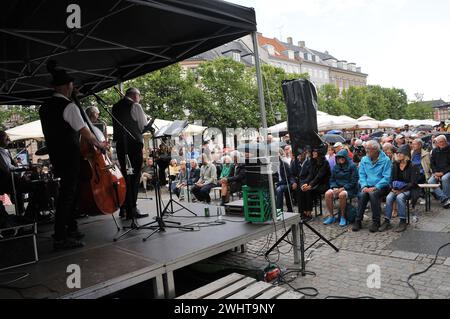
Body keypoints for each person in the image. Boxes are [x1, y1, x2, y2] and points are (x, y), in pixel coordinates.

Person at [39, 65, 107, 250]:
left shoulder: (44, 107)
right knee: (67, 196)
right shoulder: (69, 106)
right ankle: (60, 237)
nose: (72, 88)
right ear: (66, 86)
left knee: (68, 193)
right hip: (70, 155)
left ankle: (71, 228)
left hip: (57, 156)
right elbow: (86, 133)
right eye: (70, 85)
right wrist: (100, 145)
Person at [112, 87, 150, 219]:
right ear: (135, 95)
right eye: (139, 96)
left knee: (126, 176)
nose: (139, 99)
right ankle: (132, 209)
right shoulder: (136, 106)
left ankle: (123, 208)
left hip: (121, 146)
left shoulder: (115, 107)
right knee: (134, 178)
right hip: (133, 146)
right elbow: (142, 126)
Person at [352, 140, 392, 233]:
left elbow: (387, 177)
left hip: (382, 186)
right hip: (367, 185)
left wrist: (376, 187)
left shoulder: (386, 160)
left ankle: (376, 221)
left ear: (375, 150)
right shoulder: (364, 159)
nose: (366, 151)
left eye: (368, 149)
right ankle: (358, 220)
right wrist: (364, 186)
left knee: (373, 194)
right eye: (366, 149)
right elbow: (361, 174)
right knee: (362, 195)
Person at [379, 145, 420, 233]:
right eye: (397, 153)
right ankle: (387, 220)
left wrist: (401, 190)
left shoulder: (413, 166)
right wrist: (392, 188)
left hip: (409, 189)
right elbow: (392, 179)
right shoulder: (395, 164)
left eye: (400, 153)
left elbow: (413, 183)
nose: (397, 155)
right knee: (389, 198)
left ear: (405, 155)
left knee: (400, 197)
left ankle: (402, 221)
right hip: (396, 188)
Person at [324, 149, 359, 226]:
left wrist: (343, 188)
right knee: (327, 194)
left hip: (349, 189)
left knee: (342, 195)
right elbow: (332, 179)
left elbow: (354, 181)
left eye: (342, 157)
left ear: (346, 157)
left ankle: (343, 217)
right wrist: (334, 187)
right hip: (337, 187)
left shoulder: (352, 166)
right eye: (339, 158)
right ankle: (331, 216)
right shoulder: (336, 166)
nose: (340, 159)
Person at [299, 146, 331, 219]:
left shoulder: (325, 163)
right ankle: (303, 211)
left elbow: (319, 177)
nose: (313, 153)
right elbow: (311, 175)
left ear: (319, 153)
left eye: (315, 151)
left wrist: (310, 185)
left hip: (324, 184)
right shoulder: (313, 162)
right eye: (312, 151)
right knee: (301, 190)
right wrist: (305, 184)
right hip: (315, 183)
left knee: (308, 191)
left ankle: (309, 213)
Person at [428, 135, 450, 208]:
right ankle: (445, 199)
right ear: (436, 143)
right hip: (437, 172)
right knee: (430, 181)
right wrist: (435, 173)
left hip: (447, 171)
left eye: (442, 141)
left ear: (445, 141)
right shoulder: (435, 150)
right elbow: (432, 164)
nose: (441, 143)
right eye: (439, 142)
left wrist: (442, 173)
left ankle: (447, 198)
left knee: (444, 178)